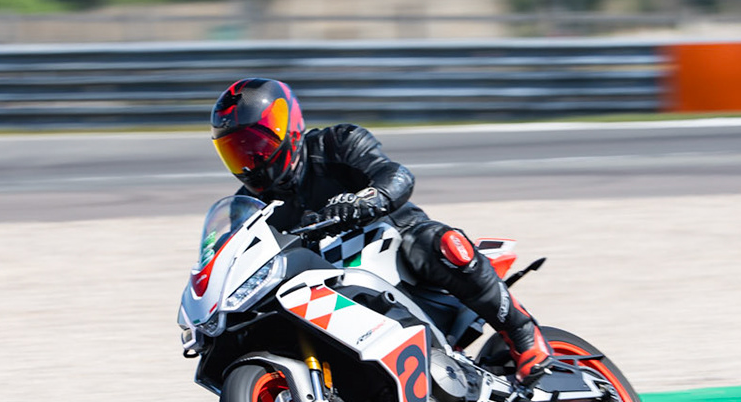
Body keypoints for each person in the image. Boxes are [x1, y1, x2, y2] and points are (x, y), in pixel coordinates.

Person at [209, 76, 551, 381]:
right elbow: (236, 255)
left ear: (288, 130)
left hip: (393, 242)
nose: (250, 161)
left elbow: (395, 175)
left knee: (437, 243)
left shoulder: (337, 143)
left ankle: (523, 333)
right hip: (326, 281)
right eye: (237, 152)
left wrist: (365, 201)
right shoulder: (252, 206)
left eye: (257, 146)